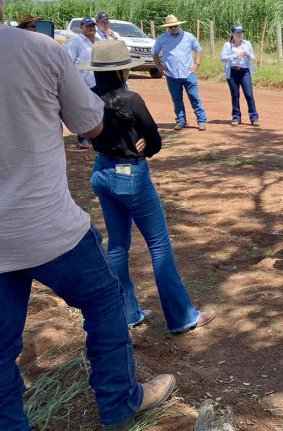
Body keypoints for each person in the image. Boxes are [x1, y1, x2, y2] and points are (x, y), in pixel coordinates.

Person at [0, 0, 175, 431]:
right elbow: (92, 126)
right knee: (104, 300)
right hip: (46, 224)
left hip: (81, 192)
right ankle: (119, 403)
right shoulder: (39, 49)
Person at [80, 39, 216, 334]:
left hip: (102, 171)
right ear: (120, 71)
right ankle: (182, 317)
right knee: (158, 245)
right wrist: (141, 143)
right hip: (131, 174)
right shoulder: (130, 99)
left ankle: (127, 313)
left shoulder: (89, 96)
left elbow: (86, 133)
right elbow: (154, 141)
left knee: (117, 246)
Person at [151, 14, 207, 131]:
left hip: (188, 73)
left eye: (175, 26)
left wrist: (196, 64)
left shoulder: (188, 37)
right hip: (171, 74)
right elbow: (154, 52)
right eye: (171, 27)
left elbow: (198, 49)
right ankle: (181, 120)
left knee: (194, 97)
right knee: (177, 99)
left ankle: (201, 120)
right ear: (167, 28)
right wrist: (160, 67)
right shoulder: (162, 38)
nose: (173, 28)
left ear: (178, 25)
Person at [65, 17, 100, 149]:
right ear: (81, 28)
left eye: (93, 26)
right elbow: (68, 63)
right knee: (84, 111)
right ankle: (83, 138)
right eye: (88, 26)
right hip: (82, 82)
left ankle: (96, 137)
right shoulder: (75, 43)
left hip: (98, 81)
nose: (91, 28)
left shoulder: (99, 42)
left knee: (99, 109)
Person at [220, 24, 259, 127]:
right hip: (232, 72)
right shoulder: (227, 45)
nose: (239, 34)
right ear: (232, 33)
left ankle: (254, 118)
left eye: (241, 32)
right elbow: (223, 58)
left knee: (249, 95)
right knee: (235, 95)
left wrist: (248, 55)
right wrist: (235, 55)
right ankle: (236, 117)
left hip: (244, 71)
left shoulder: (247, 44)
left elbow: (253, 57)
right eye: (237, 32)